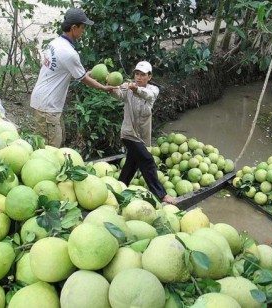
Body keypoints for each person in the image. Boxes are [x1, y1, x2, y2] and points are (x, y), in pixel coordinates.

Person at [30, 7, 115, 148]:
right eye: (82, 27)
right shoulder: (69, 53)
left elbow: (62, 72)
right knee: (50, 148)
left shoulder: (55, 43)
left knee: (57, 141)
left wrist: (84, 75)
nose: (83, 31)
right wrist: (103, 87)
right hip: (47, 105)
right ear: (74, 27)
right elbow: (82, 79)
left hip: (44, 101)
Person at [111, 61, 178, 205]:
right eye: (137, 74)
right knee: (147, 160)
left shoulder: (153, 90)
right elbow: (117, 94)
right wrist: (110, 86)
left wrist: (135, 89)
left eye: (143, 75)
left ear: (149, 77)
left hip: (142, 134)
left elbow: (147, 95)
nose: (139, 77)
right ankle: (161, 195)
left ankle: (119, 188)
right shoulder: (127, 88)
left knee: (132, 162)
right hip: (128, 133)